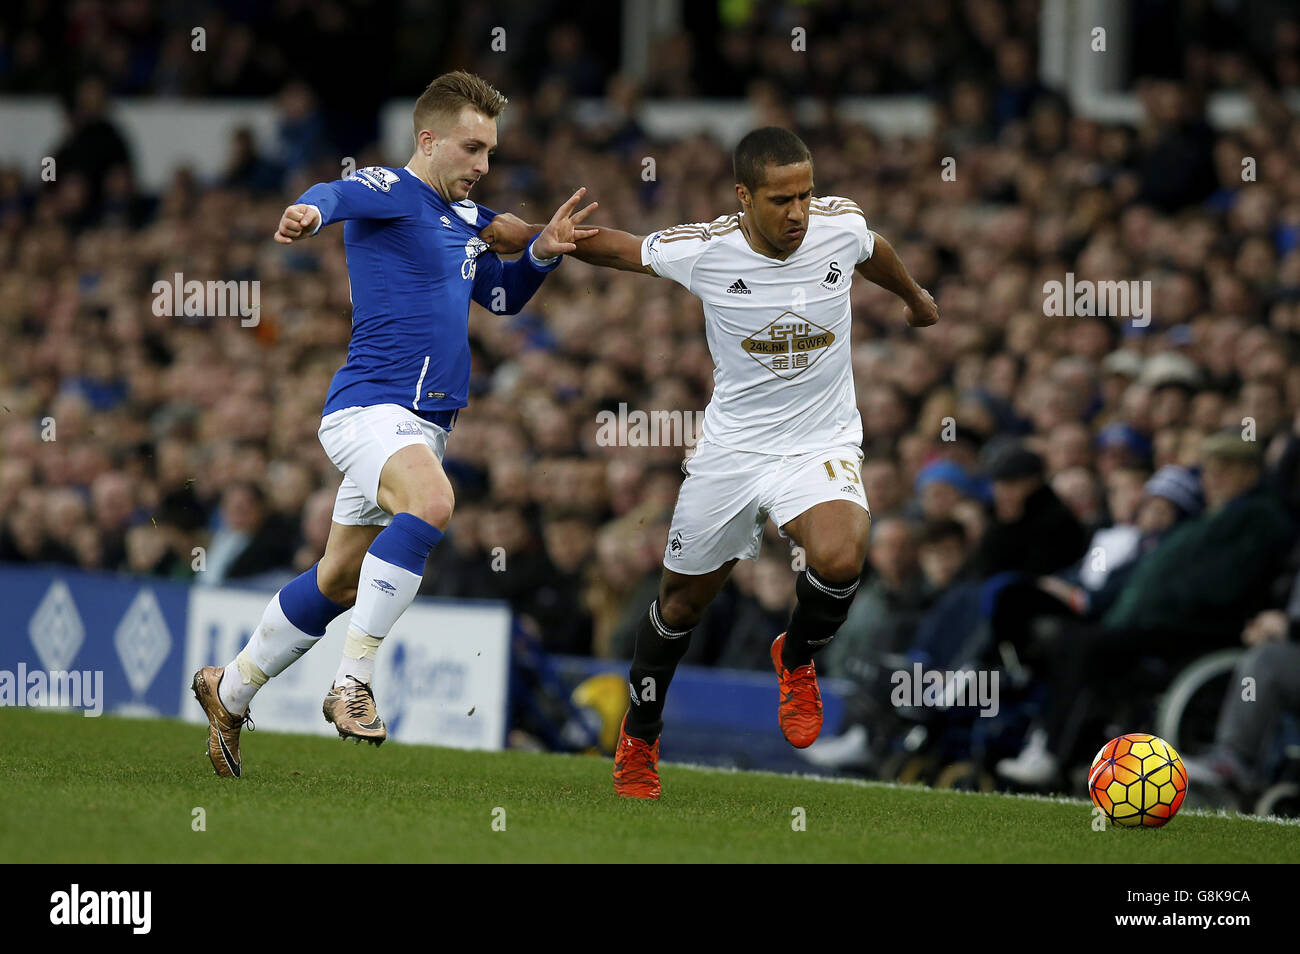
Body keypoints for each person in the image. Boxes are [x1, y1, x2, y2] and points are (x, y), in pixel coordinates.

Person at [191, 71, 596, 778]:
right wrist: (306, 214)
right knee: (434, 502)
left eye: (491, 152)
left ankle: (230, 689)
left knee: (340, 579)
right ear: (429, 139)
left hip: (420, 426)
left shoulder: (469, 222)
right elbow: (334, 194)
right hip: (371, 408)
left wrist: (539, 254)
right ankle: (352, 683)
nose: (483, 165)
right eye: (472, 148)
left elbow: (499, 299)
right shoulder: (390, 188)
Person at [567, 126, 938, 798]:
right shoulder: (707, 249)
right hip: (733, 452)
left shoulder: (837, 226)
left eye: (805, 194)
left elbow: (873, 250)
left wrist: (912, 296)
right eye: (780, 199)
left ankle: (795, 661)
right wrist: (541, 233)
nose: (797, 212)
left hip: (818, 442)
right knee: (678, 607)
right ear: (744, 196)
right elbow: (622, 250)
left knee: (842, 556)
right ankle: (640, 735)